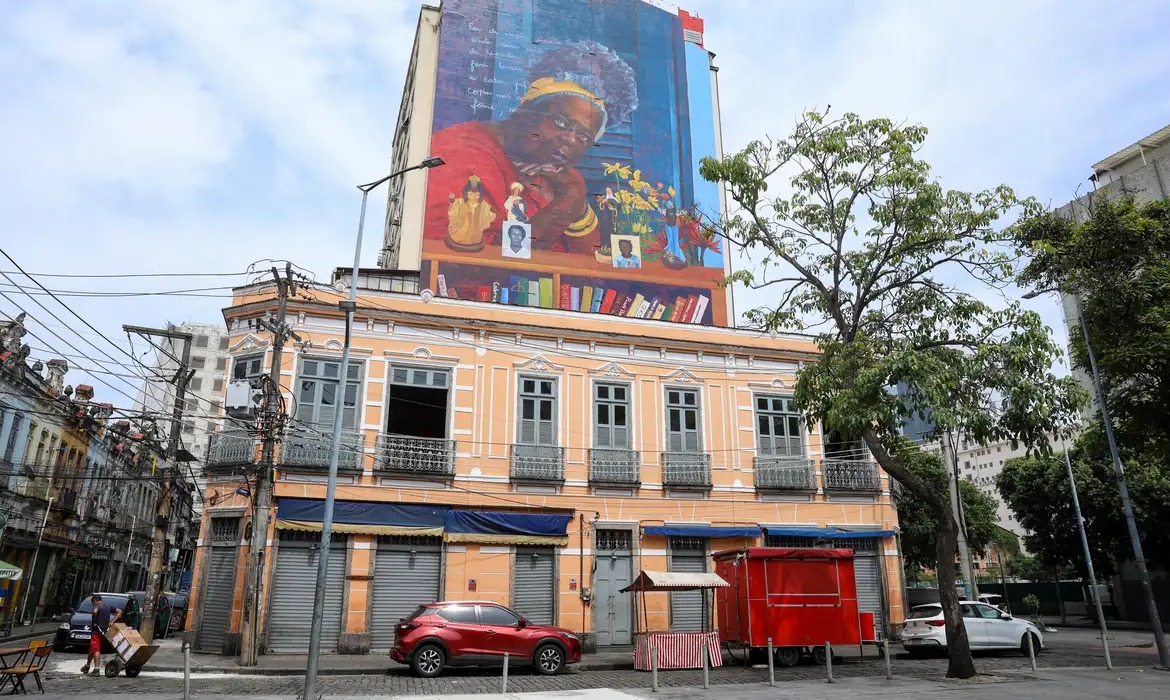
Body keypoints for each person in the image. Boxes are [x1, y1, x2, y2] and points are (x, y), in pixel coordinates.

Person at [426, 41, 638, 253]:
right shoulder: (459, 154)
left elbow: (592, 266)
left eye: (583, 136)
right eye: (561, 122)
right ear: (525, 111)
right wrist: (563, 207)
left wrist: (578, 208)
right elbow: (467, 265)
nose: (570, 140)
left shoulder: (562, 176)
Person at [445, 176, 497, 251]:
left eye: (476, 194)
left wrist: (491, 212)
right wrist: (452, 201)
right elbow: (453, 211)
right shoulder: (460, 202)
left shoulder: (483, 205)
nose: (473, 196)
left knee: (475, 236)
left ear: (480, 195)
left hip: (475, 236)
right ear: (466, 193)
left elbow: (489, 213)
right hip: (459, 234)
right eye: (471, 193)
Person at [82, 594, 122, 677]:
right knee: (92, 648)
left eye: (93, 603)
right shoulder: (108, 606)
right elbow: (119, 611)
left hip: (97, 630)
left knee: (96, 649)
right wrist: (112, 622)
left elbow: (94, 612)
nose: (93, 605)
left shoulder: (97, 606)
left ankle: (96, 669)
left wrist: (94, 620)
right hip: (104, 630)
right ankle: (87, 666)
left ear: (95, 601)